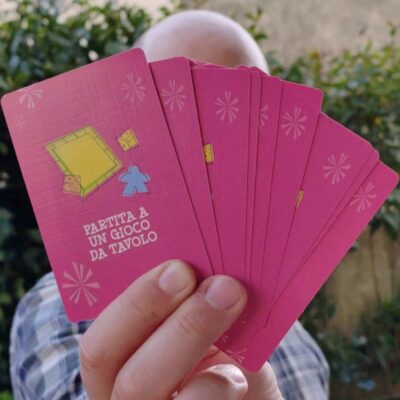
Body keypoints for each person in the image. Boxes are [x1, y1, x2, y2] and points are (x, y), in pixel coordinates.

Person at [9, 10, 329, 400]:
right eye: (177, 115)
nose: (208, 151)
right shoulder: (56, 311)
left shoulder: (296, 337)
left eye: (245, 120)